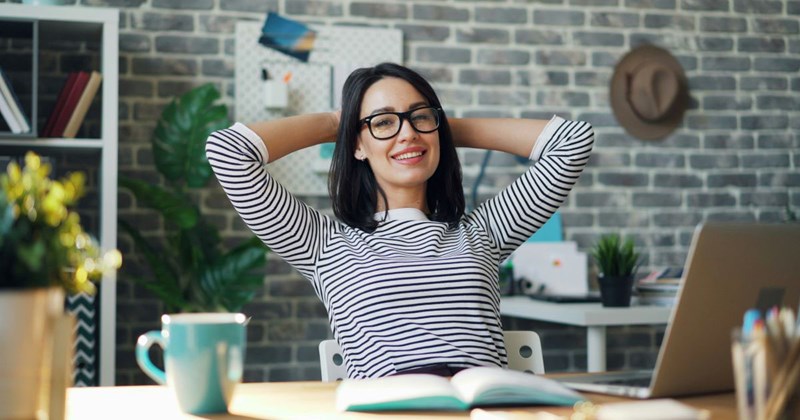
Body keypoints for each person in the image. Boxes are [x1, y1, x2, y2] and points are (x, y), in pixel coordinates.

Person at [206, 62, 594, 379]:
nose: (406, 133)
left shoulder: (483, 233)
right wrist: (337, 124)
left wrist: (436, 128)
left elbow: (572, 142)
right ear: (357, 144)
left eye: (419, 117)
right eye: (383, 123)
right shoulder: (324, 245)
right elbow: (227, 152)